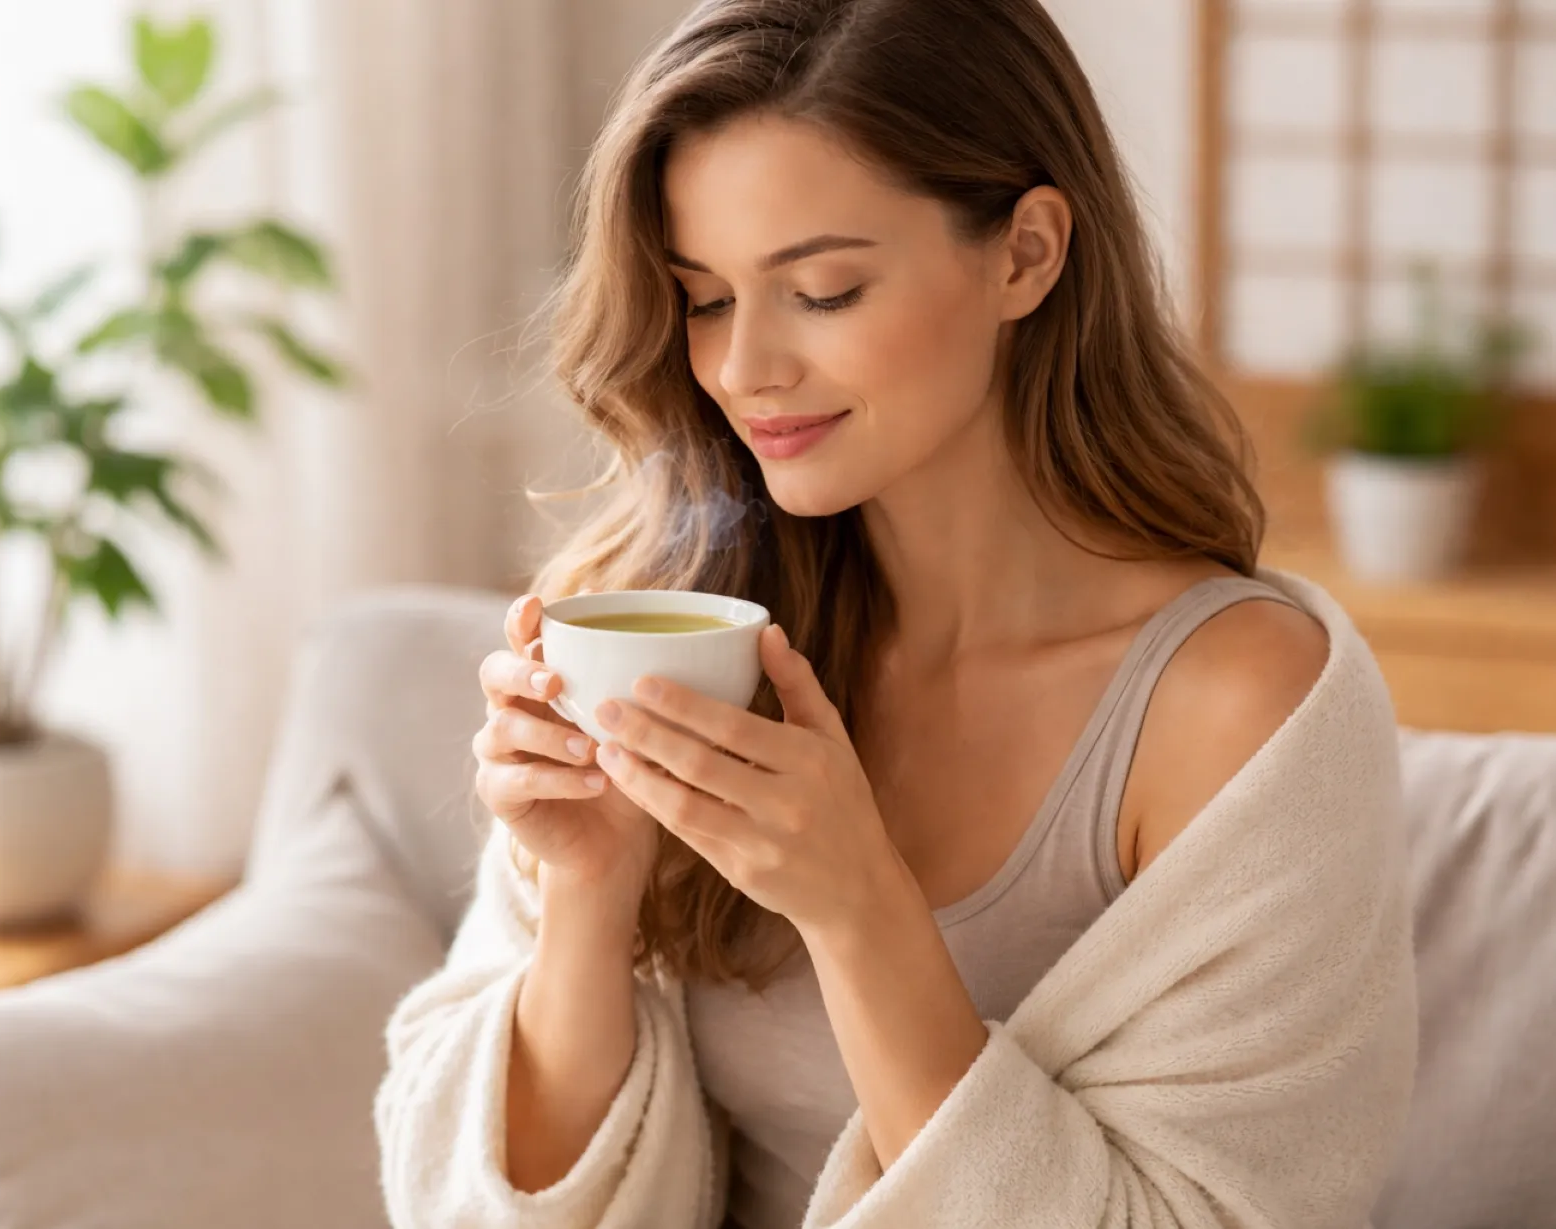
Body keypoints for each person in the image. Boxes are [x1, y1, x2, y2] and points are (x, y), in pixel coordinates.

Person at [376, 1, 1417, 1226]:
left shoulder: (1235, 703)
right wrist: (589, 895)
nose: (743, 367)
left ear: (1025, 253)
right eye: (704, 299)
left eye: (821, 290)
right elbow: (474, 1202)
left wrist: (857, 905)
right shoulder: (669, 619)